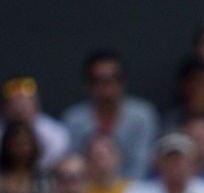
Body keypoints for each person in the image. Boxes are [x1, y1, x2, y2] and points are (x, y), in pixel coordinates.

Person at [61, 49, 159, 181]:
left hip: (133, 192)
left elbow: (142, 163)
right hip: (85, 192)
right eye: (99, 80)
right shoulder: (74, 119)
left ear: (123, 82)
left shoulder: (142, 116)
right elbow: (73, 163)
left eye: (113, 79)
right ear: (88, 85)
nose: (107, 87)